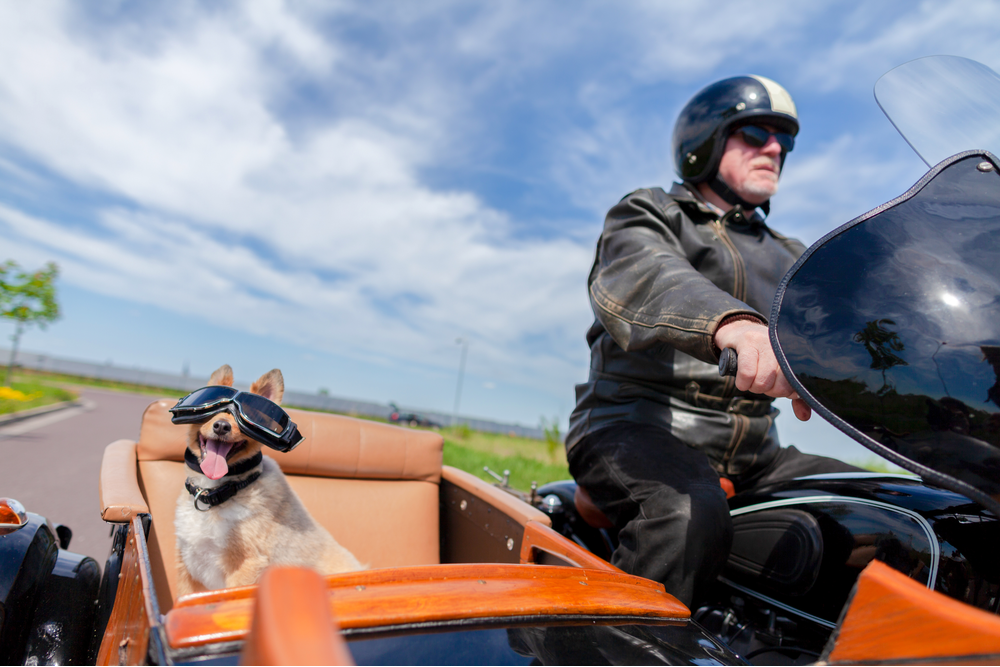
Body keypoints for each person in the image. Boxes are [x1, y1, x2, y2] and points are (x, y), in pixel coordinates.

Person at [565, 75, 859, 607]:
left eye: (785, 139)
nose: (775, 147)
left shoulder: (793, 257)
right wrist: (733, 323)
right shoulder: (650, 214)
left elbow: (850, 333)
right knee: (681, 516)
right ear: (706, 140)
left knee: (910, 510)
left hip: (755, 452)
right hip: (635, 426)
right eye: (755, 132)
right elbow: (646, 274)